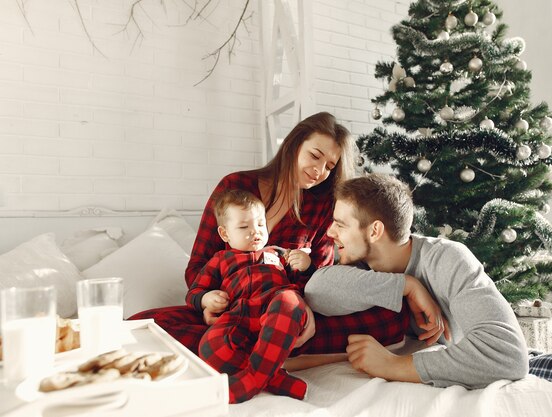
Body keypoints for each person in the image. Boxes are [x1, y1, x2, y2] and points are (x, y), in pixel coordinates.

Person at [129, 112, 413, 362]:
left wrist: (301, 302)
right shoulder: (235, 188)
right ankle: (277, 354)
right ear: (292, 146)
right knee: (137, 325)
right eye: (315, 156)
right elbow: (197, 268)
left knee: (392, 319)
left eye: (329, 166)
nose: (320, 171)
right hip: (231, 310)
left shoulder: (321, 207)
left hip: (285, 313)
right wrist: (208, 301)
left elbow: (322, 279)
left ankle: (247, 351)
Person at [301, 173, 529, 389]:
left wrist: (391, 365)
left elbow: (509, 357)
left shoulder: (446, 259)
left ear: (374, 231)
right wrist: (407, 285)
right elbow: (316, 291)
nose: (330, 232)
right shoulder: (360, 263)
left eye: (340, 224)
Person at [189, 189, 313, 403]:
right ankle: (274, 379)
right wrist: (206, 299)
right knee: (209, 347)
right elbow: (194, 292)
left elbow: (305, 282)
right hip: (239, 315)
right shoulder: (220, 260)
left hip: (275, 309)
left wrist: (307, 265)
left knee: (290, 301)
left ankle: (250, 382)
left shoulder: (276, 253)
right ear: (225, 234)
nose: (255, 231)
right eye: (244, 227)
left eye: (260, 224)